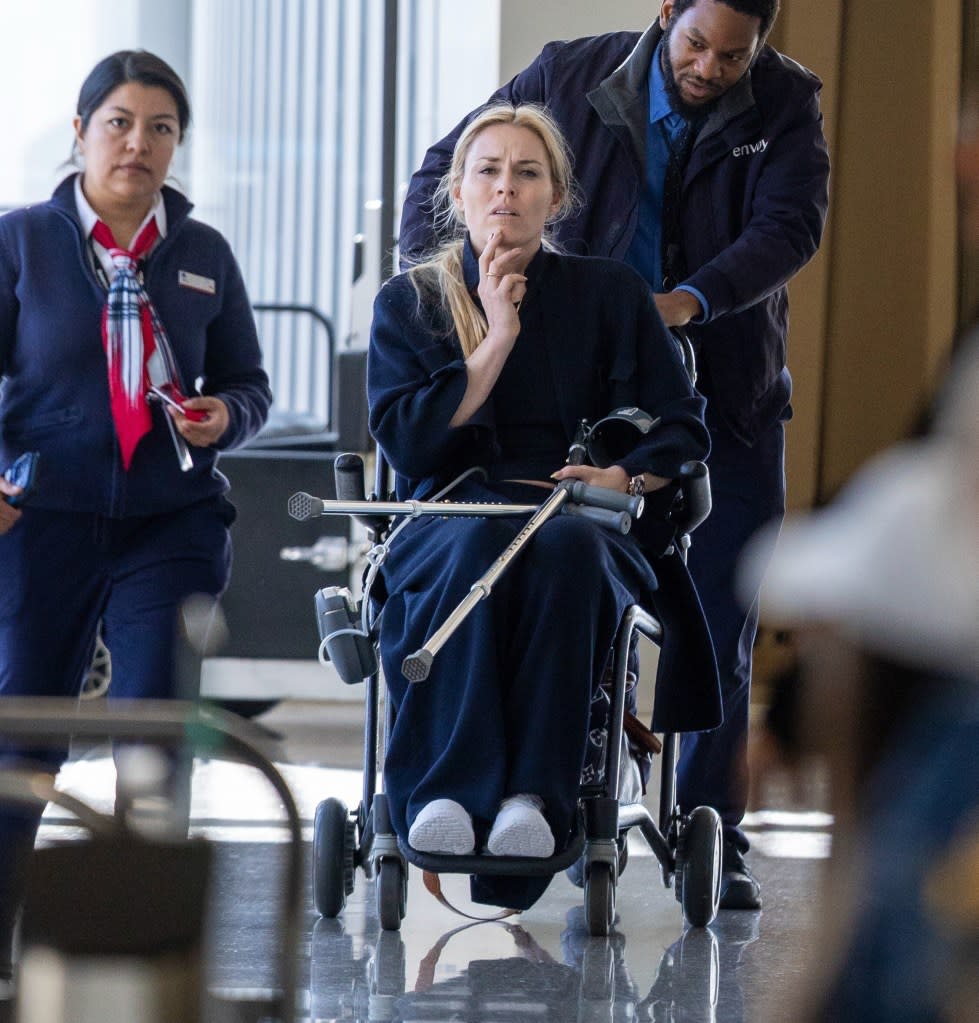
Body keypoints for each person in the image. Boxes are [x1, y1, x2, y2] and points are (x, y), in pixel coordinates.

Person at [399, 0, 831, 910]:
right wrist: (449, 295)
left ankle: (711, 826)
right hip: (552, 382)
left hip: (716, 386)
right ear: (664, 14)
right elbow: (453, 164)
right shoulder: (566, 75)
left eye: (733, 54)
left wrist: (684, 303)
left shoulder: (785, 104)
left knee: (718, 611)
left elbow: (788, 228)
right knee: (500, 561)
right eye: (695, 44)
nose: (710, 66)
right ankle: (473, 789)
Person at [369, 102, 718, 911]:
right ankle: (448, 795)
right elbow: (414, 448)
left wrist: (622, 478)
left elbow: (679, 425)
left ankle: (533, 796)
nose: (506, 190)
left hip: (578, 516)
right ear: (456, 191)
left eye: (527, 173)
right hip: (448, 516)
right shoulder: (411, 302)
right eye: (487, 171)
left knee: (564, 553)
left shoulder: (608, 293)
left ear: (557, 196)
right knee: (468, 554)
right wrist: (493, 339)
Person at [0, 50, 271, 983]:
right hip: (42, 518)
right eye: (118, 122)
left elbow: (250, 384)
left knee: (155, 726)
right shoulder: (21, 242)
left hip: (172, 521)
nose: (138, 143)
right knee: (21, 727)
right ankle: (2, 937)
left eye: (161, 128)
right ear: (79, 133)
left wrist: (225, 414)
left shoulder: (203, 257)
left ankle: (146, 944)